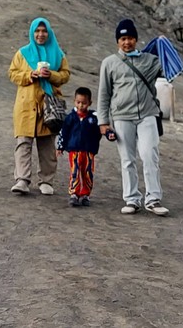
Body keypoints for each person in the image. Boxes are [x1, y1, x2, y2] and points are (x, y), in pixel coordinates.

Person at [97, 19, 169, 216]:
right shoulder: (109, 63)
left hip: (147, 114)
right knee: (127, 159)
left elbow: (170, 72)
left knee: (149, 155)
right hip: (122, 116)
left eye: (129, 38)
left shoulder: (150, 60)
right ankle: (132, 199)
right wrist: (103, 122)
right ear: (117, 41)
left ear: (136, 39)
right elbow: (104, 94)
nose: (126, 42)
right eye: (122, 38)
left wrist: (165, 46)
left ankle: (153, 199)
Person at [6, 17, 70, 195]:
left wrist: (52, 75)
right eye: (37, 31)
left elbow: (65, 75)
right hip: (25, 105)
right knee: (23, 143)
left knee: (47, 145)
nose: (40, 35)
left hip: (48, 106)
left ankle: (46, 181)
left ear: (48, 33)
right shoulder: (22, 53)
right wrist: (30, 74)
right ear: (32, 33)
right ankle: (22, 180)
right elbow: (12, 74)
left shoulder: (58, 54)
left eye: (43, 31)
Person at [57, 87, 107, 207]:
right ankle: (74, 193)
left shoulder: (93, 118)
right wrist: (60, 146)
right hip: (74, 149)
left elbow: (99, 132)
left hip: (88, 150)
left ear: (89, 103)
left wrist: (95, 144)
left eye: (84, 103)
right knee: (75, 170)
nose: (81, 106)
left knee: (87, 172)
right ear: (74, 101)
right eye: (78, 102)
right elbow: (64, 132)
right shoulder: (70, 117)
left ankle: (85, 194)